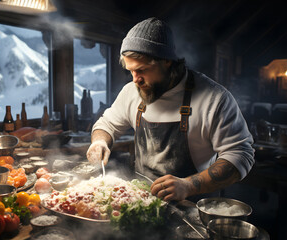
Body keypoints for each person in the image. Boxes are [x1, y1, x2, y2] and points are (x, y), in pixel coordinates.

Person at [86, 17, 254, 202]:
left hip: (191, 209)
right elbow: (107, 124)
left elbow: (240, 154)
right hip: (141, 202)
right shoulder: (131, 92)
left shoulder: (214, 98)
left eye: (141, 70)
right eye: (130, 71)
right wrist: (100, 142)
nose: (135, 79)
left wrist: (189, 185)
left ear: (166, 61)